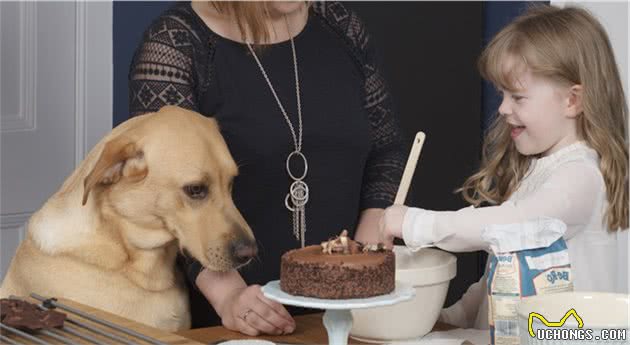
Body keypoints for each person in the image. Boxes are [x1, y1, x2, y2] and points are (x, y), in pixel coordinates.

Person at [128, 1, 404, 335]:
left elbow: (386, 150)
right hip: (238, 322)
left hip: (348, 320)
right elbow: (165, 196)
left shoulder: (341, 24)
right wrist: (229, 296)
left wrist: (363, 262)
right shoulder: (175, 44)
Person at [380, 5, 628, 330]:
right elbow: (502, 271)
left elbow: (507, 225)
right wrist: (456, 317)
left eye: (518, 97)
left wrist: (414, 223)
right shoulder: (538, 170)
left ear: (572, 101)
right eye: (502, 95)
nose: (503, 107)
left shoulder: (580, 176)